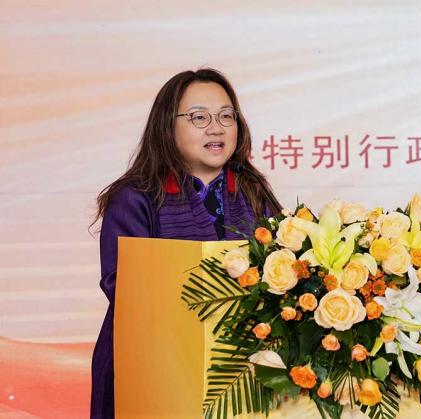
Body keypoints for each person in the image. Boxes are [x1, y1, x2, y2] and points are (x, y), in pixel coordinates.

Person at [89, 68, 281, 418]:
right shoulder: (136, 197)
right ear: (168, 126)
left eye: (226, 116)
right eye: (199, 117)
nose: (216, 128)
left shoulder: (252, 190)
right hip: (156, 366)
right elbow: (123, 285)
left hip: (238, 370)